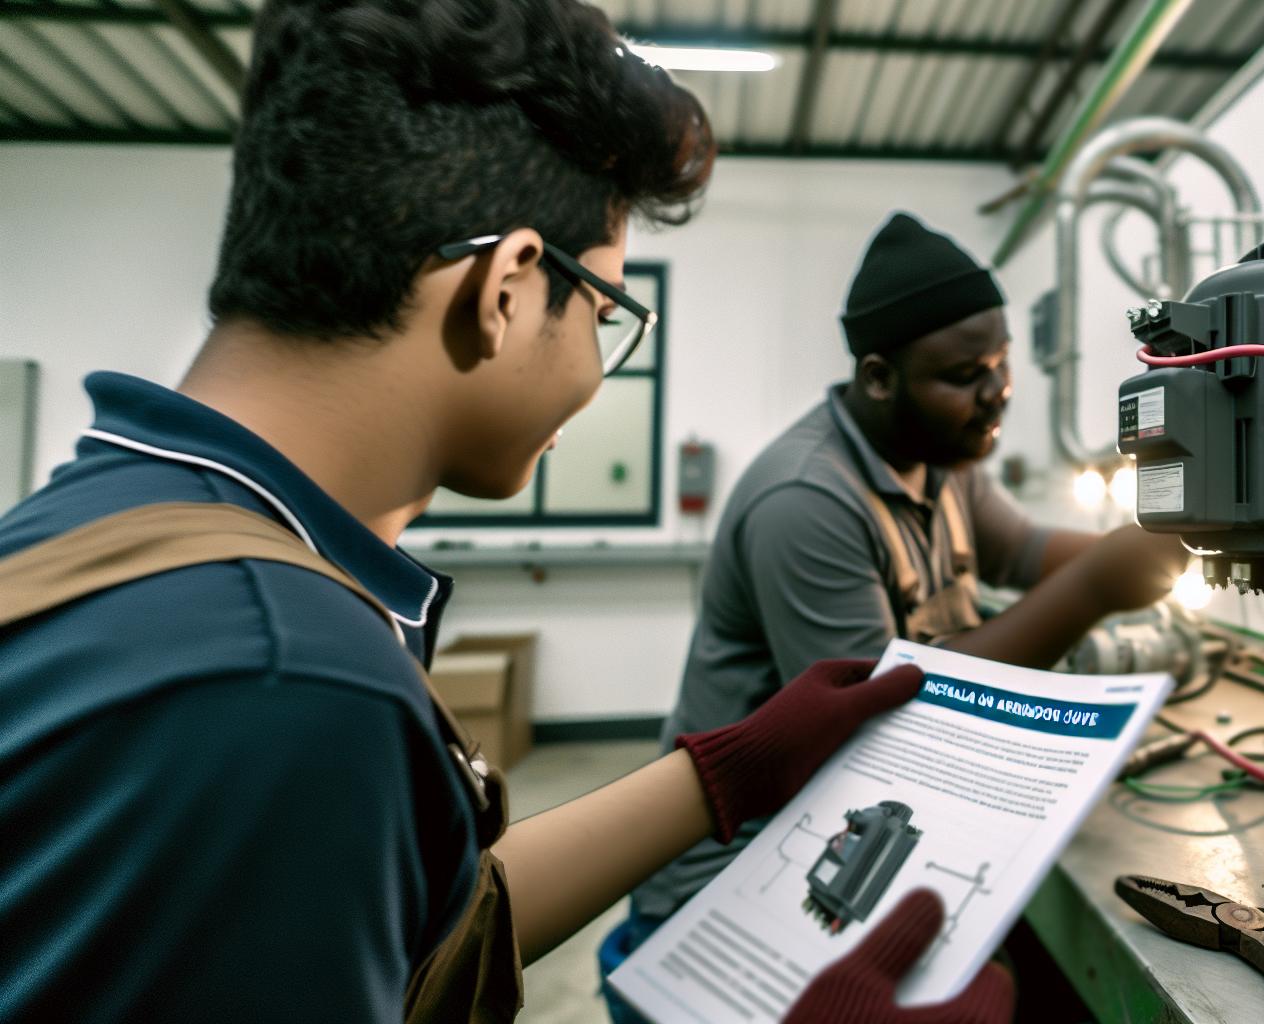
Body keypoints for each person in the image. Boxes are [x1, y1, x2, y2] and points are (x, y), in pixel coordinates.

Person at [0, 2, 1011, 1022]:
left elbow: (422, 925)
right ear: (510, 286)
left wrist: (720, 774)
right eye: (608, 315)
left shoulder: (110, 528)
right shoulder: (291, 680)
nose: (594, 369)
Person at [611, 212, 1190, 1010]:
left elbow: (1021, 550)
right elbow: (882, 724)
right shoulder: (806, 499)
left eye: (1002, 364)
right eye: (964, 375)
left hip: (861, 829)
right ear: (879, 376)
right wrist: (1097, 589)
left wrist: (1159, 537)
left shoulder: (942, 458)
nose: (997, 396)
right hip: (740, 884)